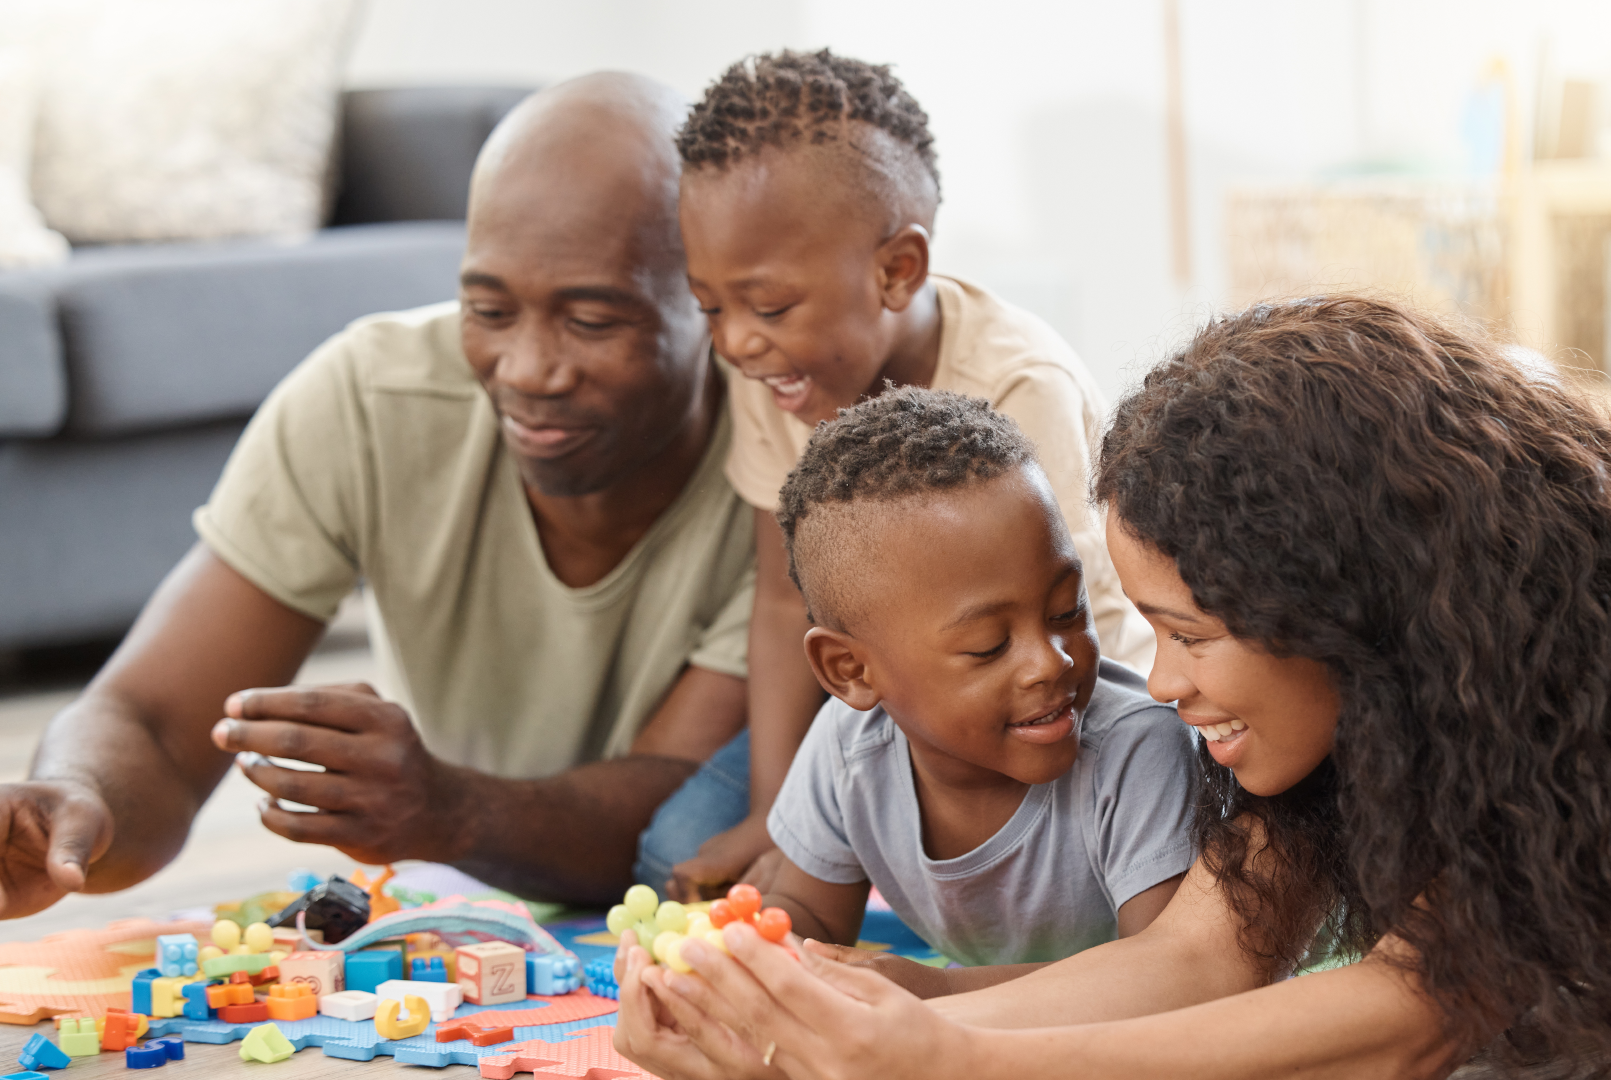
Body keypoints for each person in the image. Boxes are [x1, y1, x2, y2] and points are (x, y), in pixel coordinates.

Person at [609, 295, 1611, 1080]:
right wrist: (884, 1004)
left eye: (1191, 631)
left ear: (1335, 608)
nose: (1153, 682)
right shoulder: (1384, 686)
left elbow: (1416, 1012)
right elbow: (1201, 954)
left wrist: (957, 1063)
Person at [0, 72, 759, 916]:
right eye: (489, 309)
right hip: (487, 876)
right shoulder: (368, 399)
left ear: (711, 307)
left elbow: (669, 826)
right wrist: (76, 798)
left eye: (591, 321)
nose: (527, 370)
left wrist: (449, 809)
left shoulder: (783, 459)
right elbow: (150, 720)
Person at [652, 48, 1156, 903]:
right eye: (712, 308)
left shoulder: (1019, 385)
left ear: (897, 271)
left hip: (1056, 696)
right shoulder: (779, 374)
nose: (735, 341)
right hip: (899, 689)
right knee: (675, 846)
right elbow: (782, 601)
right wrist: (781, 812)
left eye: (768, 307)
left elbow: (1069, 628)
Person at [636, 388, 1194, 1005]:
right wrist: (754, 962)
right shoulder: (850, 754)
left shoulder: (1138, 750)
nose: (1050, 662)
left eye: (1067, 610)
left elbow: (1165, 977)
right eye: (987, 646)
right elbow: (807, 914)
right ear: (850, 671)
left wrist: (935, 994)